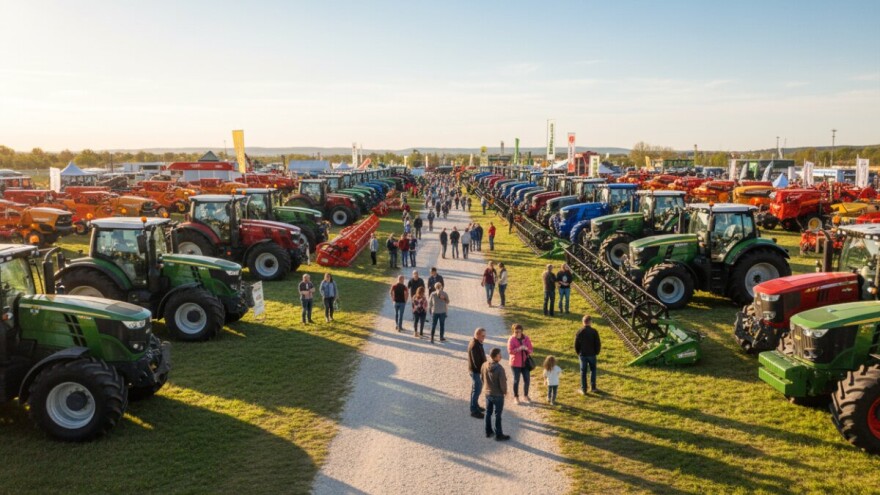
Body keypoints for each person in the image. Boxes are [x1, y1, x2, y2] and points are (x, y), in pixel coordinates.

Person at [482, 348, 510, 441]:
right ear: (495, 357)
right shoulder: (500, 368)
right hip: (498, 395)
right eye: (499, 355)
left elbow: (482, 378)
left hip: (488, 393)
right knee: (498, 415)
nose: (501, 356)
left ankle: (488, 431)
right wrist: (505, 392)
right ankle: (499, 434)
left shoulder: (484, 365)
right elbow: (502, 383)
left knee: (488, 413)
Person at [507, 323, 533, 404]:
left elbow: (531, 350)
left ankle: (525, 395)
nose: (518, 333)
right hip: (515, 363)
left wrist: (526, 348)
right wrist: (518, 349)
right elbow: (510, 351)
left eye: (519, 331)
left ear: (522, 331)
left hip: (525, 363)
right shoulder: (511, 339)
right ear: (513, 331)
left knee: (527, 380)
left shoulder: (526, 338)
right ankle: (516, 397)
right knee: (516, 380)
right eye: (516, 332)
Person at [574, 315, 601, 394]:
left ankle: (584, 389)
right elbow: (598, 343)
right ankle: (593, 387)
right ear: (590, 322)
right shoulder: (594, 331)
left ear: (583, 322)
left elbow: (576, 344)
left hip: (583, 354)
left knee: (583, 372)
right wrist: (597, 352)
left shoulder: (579, 332)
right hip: (592, 354)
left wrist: (578, 352)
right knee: (593, 370)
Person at [468, 327, 487, 418]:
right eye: (483, 336)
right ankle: (473, 410)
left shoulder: (478, 342)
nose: (484, 337)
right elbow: (476, 362)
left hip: (476, 371)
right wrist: (483, 370)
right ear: (477, 335)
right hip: (476, 372)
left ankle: (475, 405)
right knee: (477, 390)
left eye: (485, 335)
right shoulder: (474, 345)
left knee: (475, 389)